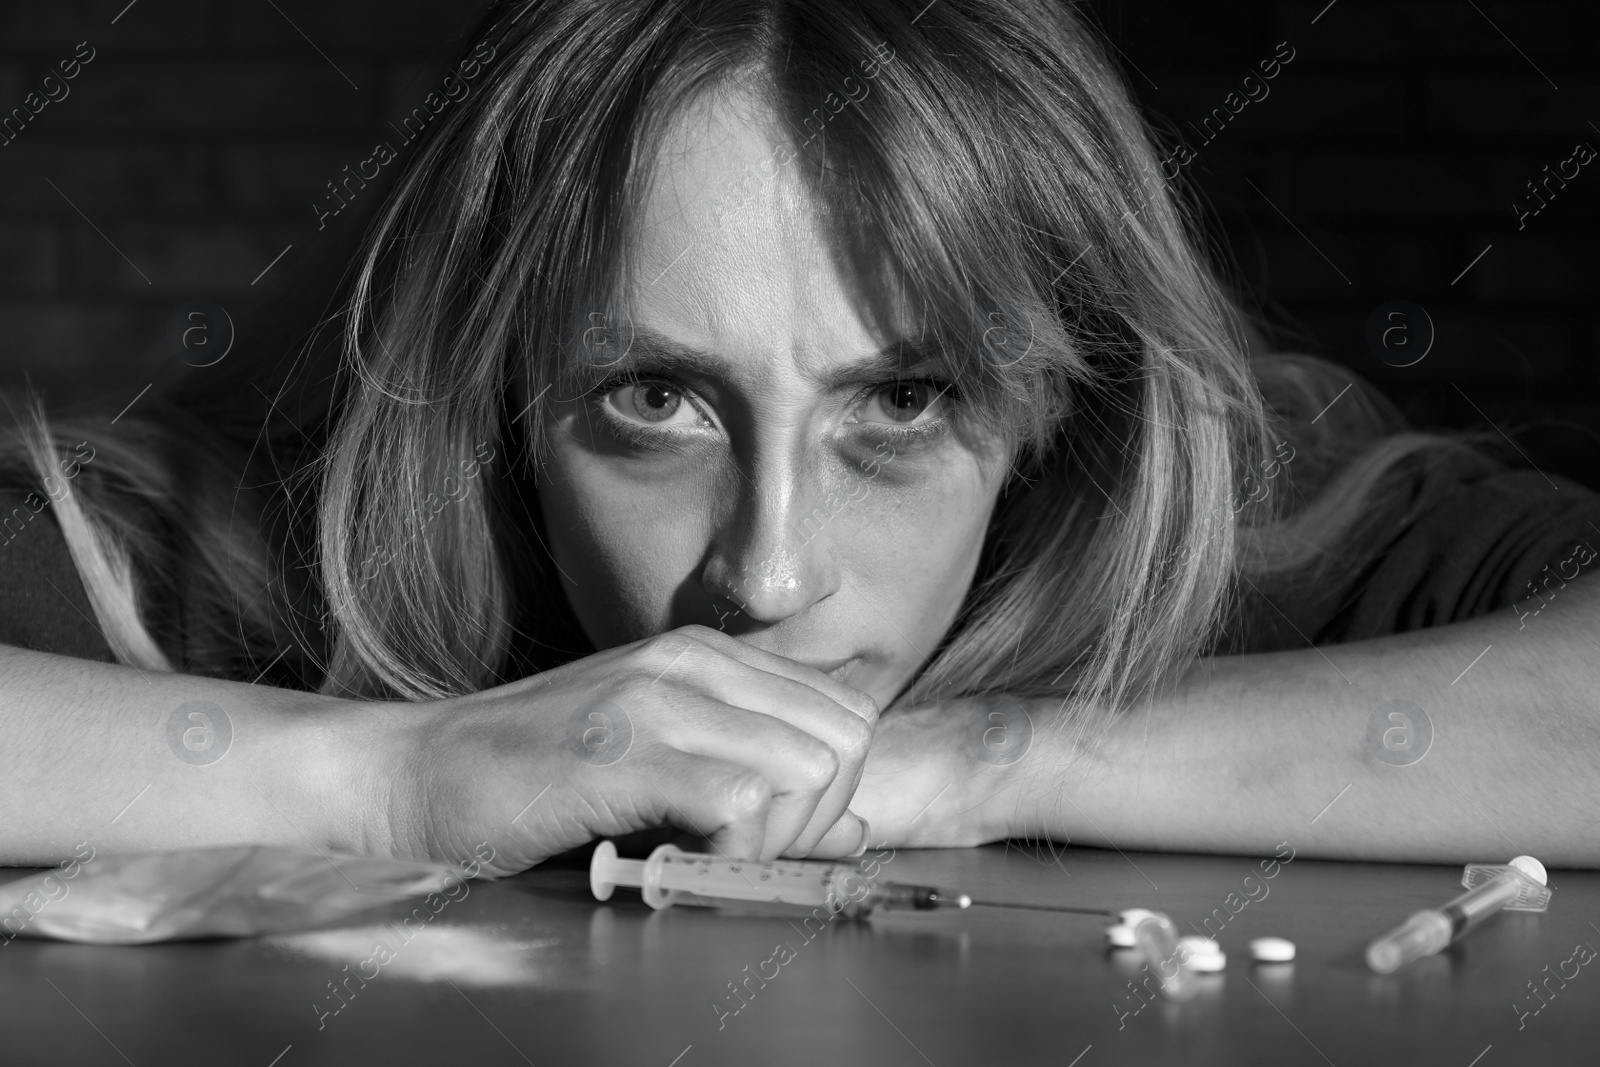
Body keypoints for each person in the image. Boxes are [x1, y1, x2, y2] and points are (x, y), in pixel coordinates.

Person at [1, 0, 1596, 876]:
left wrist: (988, 756)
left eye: (898, 405)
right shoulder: (276, 537)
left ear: (1061, 407)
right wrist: (391, 781)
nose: (767, 576)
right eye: (655, 399)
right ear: (496, 397)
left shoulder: (1237, 514)